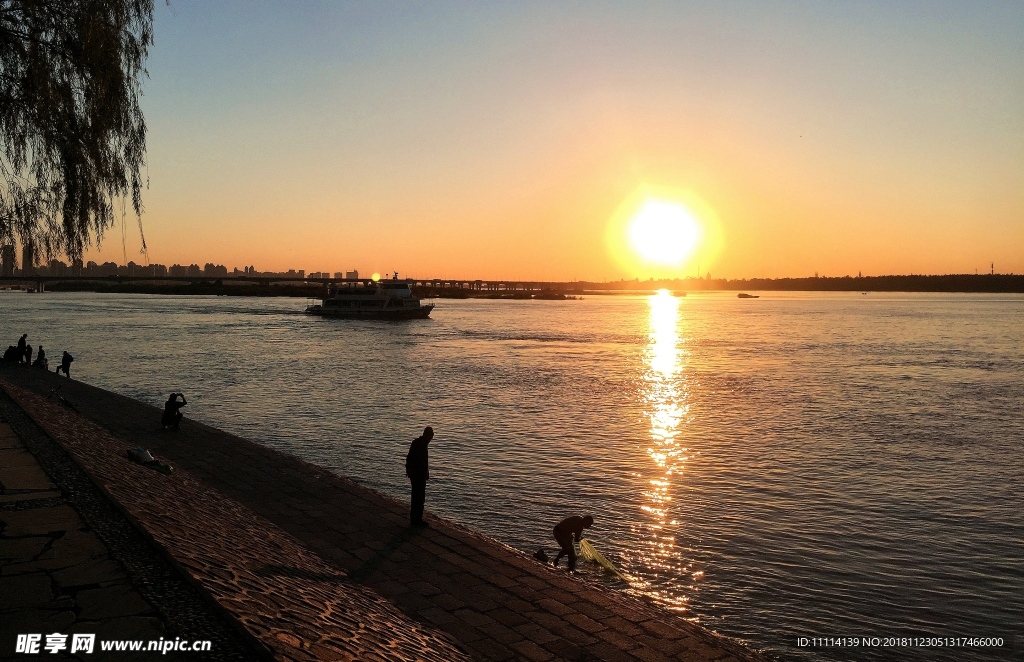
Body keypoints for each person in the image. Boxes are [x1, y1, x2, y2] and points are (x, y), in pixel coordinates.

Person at [405, 426, 434, 527]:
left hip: (415, 474)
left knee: (415, 496)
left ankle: (415, 518)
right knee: (420, 497)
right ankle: (417, 519)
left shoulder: (417, 442)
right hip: (418, 475)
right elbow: (420, 461)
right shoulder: (422, 444)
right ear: (430, 436)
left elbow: (409, 458)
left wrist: (409, 470)